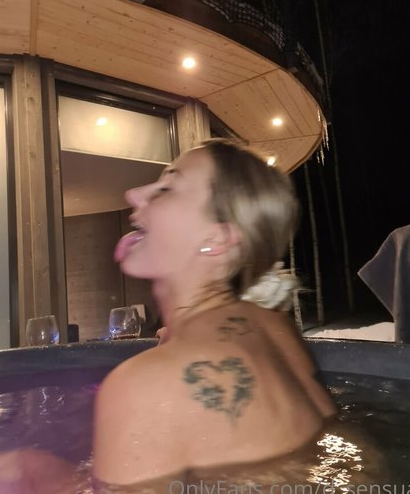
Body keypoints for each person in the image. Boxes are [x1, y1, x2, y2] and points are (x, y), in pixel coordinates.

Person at [93, 139, 337, 490]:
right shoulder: (275, 326)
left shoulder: (143, 387)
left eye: (167, 188)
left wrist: (35, 472)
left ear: (217, 238)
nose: (133, 194)